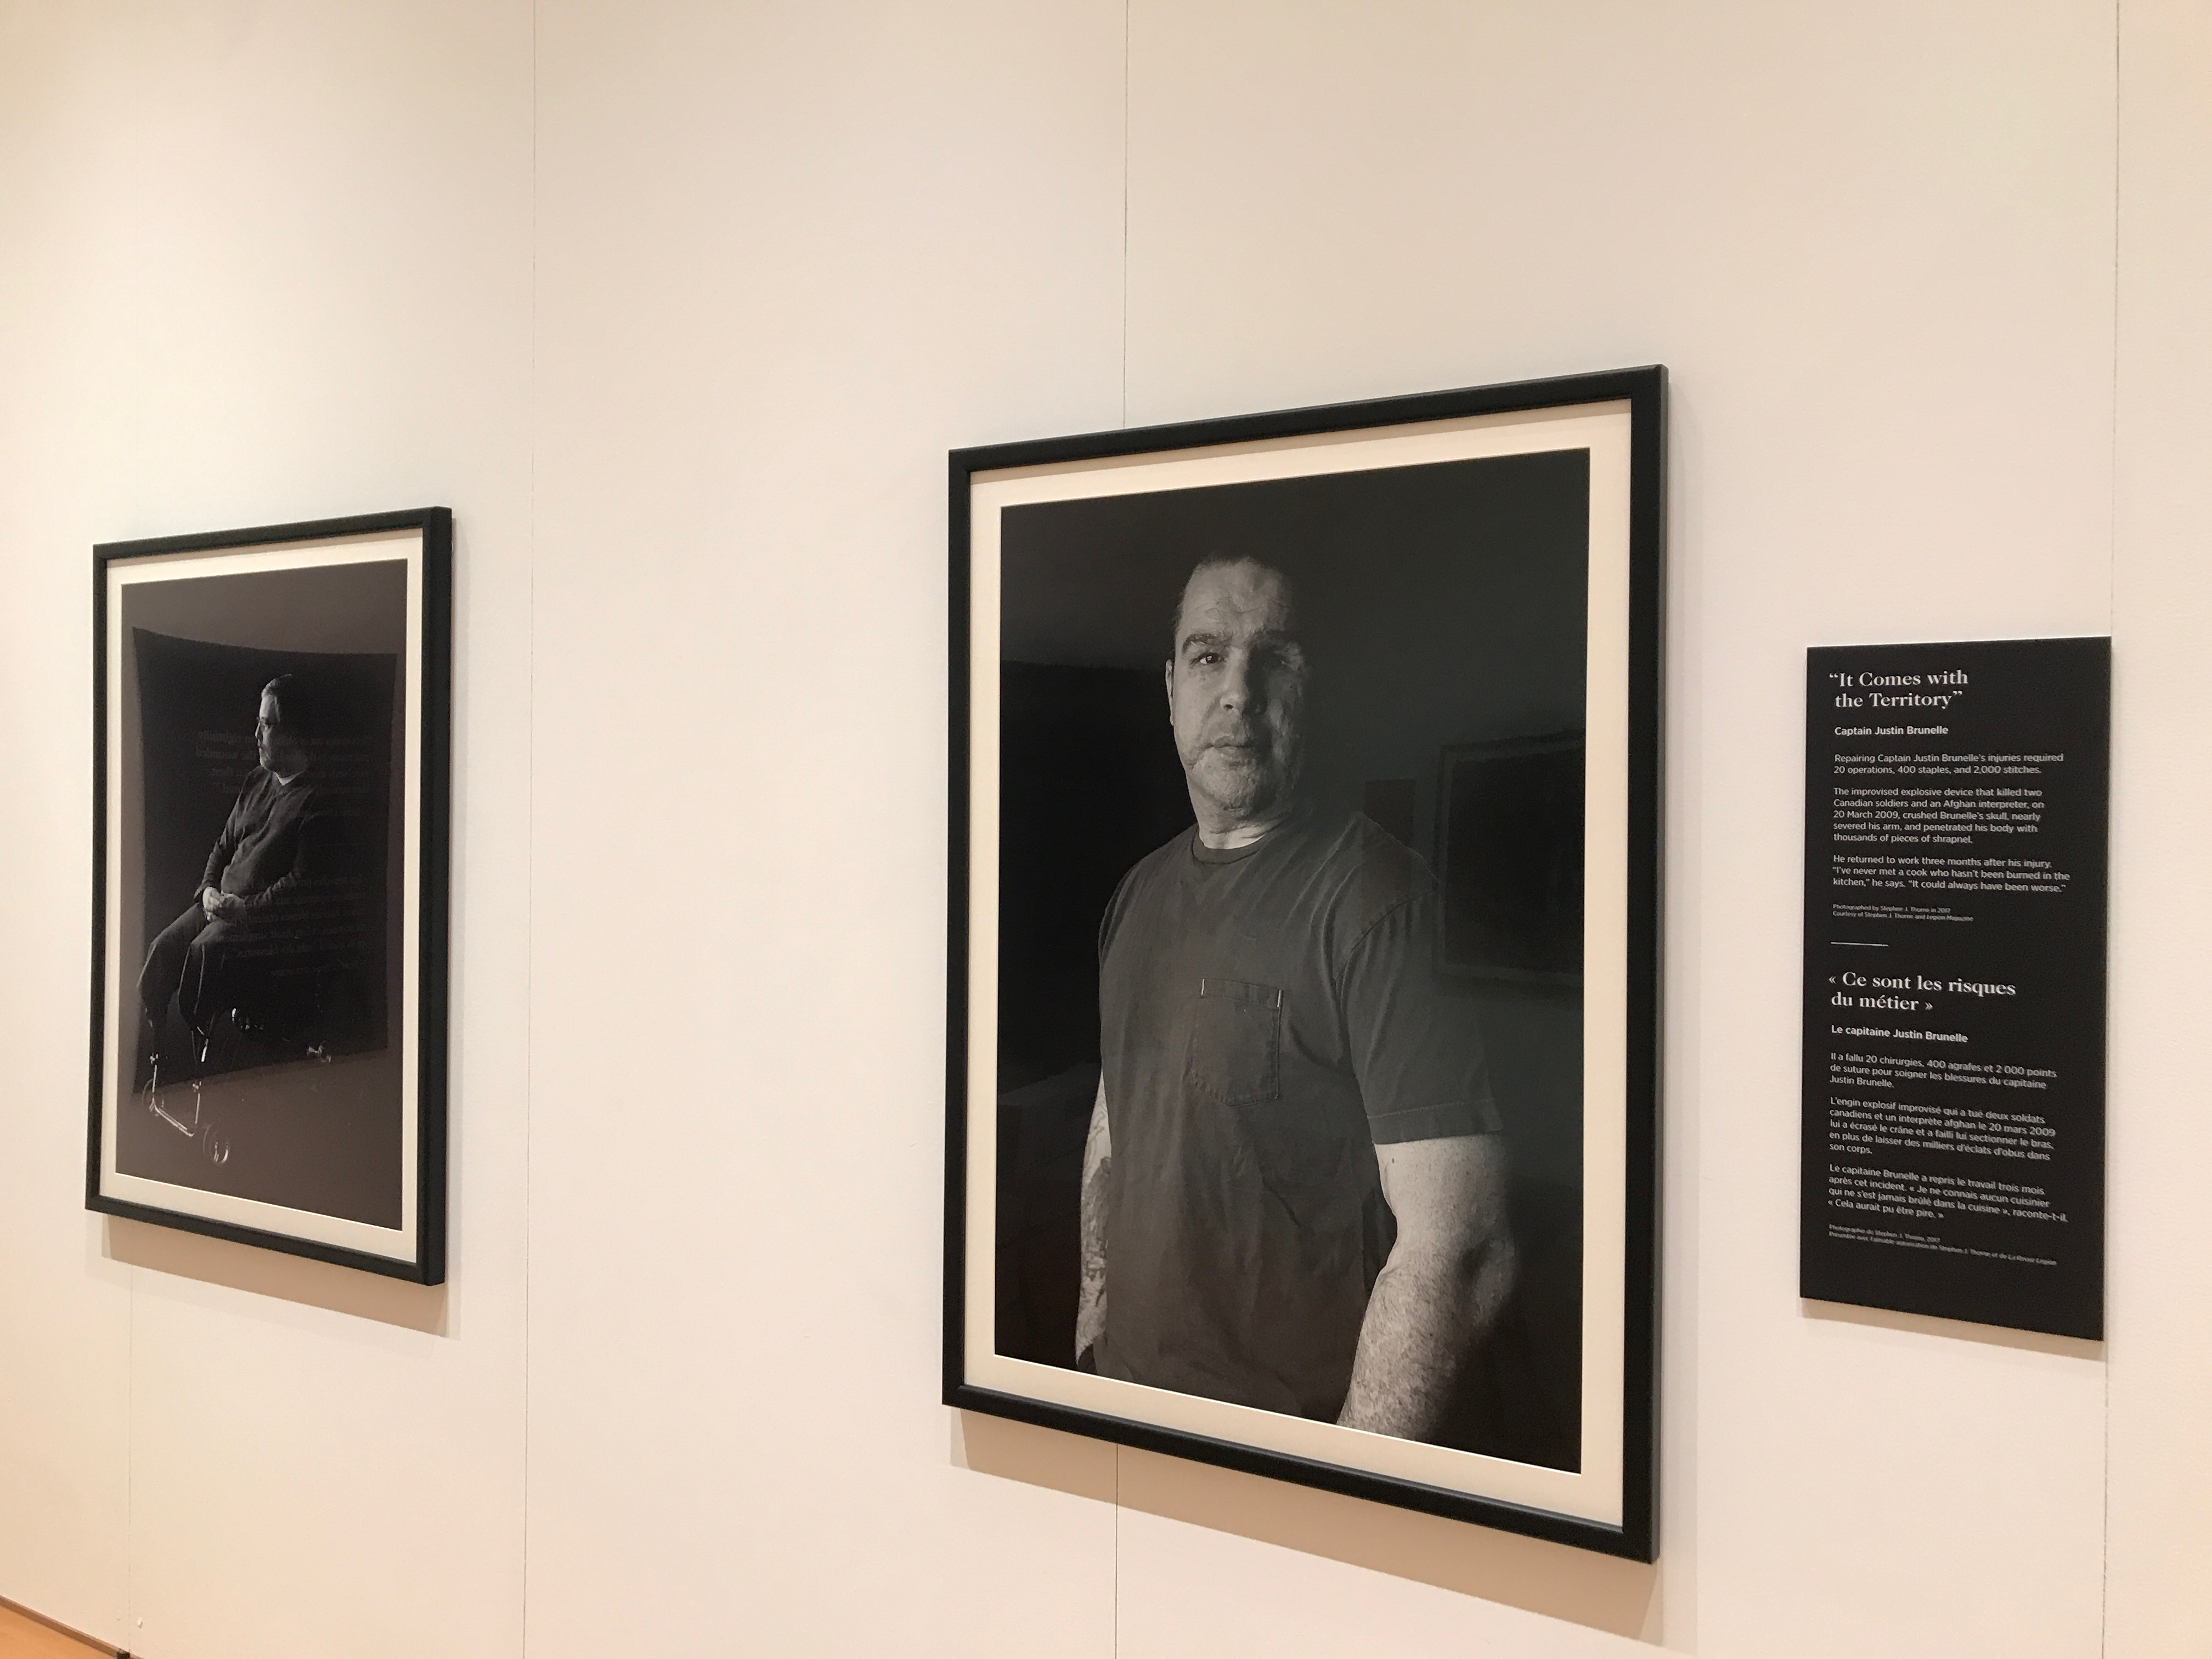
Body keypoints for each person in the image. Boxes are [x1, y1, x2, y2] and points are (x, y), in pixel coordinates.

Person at [1075, 555, 1515, 1442]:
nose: (1236, 691)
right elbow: (1116, 1125)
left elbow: (1462, 1253)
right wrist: (1089, 1336)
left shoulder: (1379, 903)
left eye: (1271, 657)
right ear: (1169, 689)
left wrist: (1339, 1491)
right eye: (1206, 655)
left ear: (1308, 688)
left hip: (1280, 1454)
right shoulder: (1136, 895)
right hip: (1120, 1413)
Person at [138, 674, 337, 1056]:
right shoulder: (256, 781)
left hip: (255, 921)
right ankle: (159, 1051)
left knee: (202, 953)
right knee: (162, 951)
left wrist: (247, 910)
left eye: (266, 724)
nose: (256, 734)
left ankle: (196, 1056)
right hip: (219, 902)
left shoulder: (318, 802)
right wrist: (208, 889)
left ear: (293, 734)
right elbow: (224, 844)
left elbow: (302, 884)